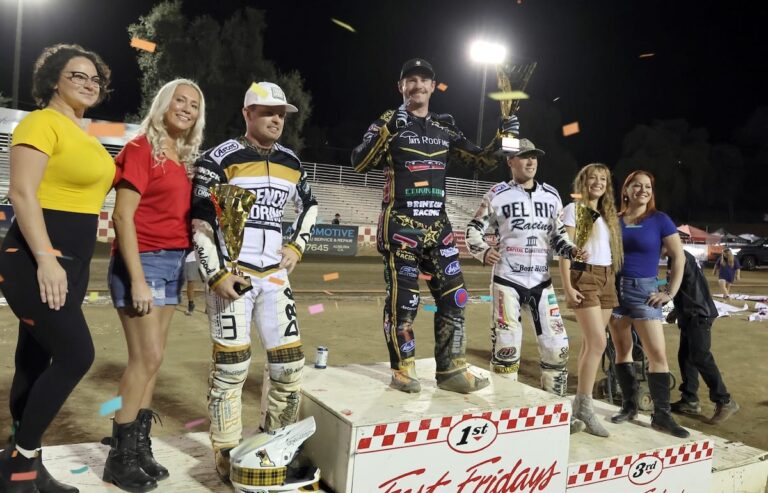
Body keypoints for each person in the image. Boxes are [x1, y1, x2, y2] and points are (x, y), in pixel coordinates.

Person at [351, 58, 518, 394]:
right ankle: (403, 370)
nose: (417, 86)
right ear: (401, 87)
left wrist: (509, 134)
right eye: (409, 80)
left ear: (432, 86)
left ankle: (452, 370)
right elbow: (358, 163)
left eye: (423, 80)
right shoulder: (388, 120)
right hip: (400, 229)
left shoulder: (445, 126)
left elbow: (483, 161)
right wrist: (390, 129)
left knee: (456, 298)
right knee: (405, 303)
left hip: (438, 229)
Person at [0, 44, 115, 493]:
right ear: (53, 80)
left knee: (34, 357)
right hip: (36, 259)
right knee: (76, 355)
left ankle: (25, 468)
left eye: (95, 79)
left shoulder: (84, 136)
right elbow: (22, 194)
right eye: (77, 76)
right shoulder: (39, 122)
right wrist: (46, 258)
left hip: (71, 263)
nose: (89, 84)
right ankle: (19, 462)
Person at [190, 81, 318, 482]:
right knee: (231, 368)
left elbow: (311, 205)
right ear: (248, 114)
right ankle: (226, 452)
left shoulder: (292, 162)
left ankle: (275, 443)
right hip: (235, 277)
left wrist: (296, 246)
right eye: (268, 111)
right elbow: (200, 220)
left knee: (290, 365)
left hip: (275, 277)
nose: (277, 118)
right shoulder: (217, 158)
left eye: (281, 113)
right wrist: (216, 274)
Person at [101, 79, 205, 492]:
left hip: (173, 261)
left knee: (154, 360)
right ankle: (118, 457)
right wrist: (139, 280)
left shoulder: (179, 156)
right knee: (144, 358)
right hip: (141, 262)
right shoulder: (142, 147)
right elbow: (123, 217)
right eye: (179, 100)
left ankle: (138, 448)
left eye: (194, 105)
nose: (186, 108)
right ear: (163, 104)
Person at [465, 140, 583, 399]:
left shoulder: (551, 195)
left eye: (534, 157)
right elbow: (474, 228)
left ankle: (555, 409)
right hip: (507, 280)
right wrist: (483, 251)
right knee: (506, 347)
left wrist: (571, 250)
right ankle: (505, 409)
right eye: (524, 157)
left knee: (558, 346)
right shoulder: (496, 194)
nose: (531, 162)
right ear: (510, 161)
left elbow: (558, 236)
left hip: (542, 281)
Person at [609, 170, 689, 438]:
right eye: (637, 185)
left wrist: (669, 291)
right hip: (615, 292)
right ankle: (629, 406)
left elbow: (678, 257)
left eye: (648, 187)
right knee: (622, 350)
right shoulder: (615, 220)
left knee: (657, 355)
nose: (643, 190)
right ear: (626, 190)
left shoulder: (660, 220)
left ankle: (662, 415)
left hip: (644, 291)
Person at [558, 164, 623, 437]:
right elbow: (565, 250)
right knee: (599, 342)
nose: (598, 182)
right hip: (585, 276)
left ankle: (578, 406)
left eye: (603, 179)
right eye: (593, 178)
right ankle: (585, 406)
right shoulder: (577, 210)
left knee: (591, 343)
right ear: (583, 181)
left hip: (606, 276)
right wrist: (567, 286)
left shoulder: (606, 215)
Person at [666, 250, 740, 424]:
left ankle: (725, 401)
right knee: (685, 356)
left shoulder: (680, 257)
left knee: (700, 356)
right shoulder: (677, 257)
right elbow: (687, 286)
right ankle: (690, 400)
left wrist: (666, 298)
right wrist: (677, 311)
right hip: (690, 313)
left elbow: (684, 286)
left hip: (699, 314)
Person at [184, 251, 203, 315]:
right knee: (191, 281)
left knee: (208, 281)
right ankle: (191, 305)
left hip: (203, 258)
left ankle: (209, 305)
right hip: (190, 258)